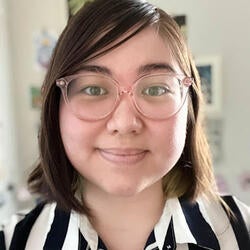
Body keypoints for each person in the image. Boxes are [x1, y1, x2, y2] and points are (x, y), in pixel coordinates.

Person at [1, 0, 250, 249]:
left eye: (155, 88)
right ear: (54, 107)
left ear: (189, 105)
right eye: (93, 89)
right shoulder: (13, 242)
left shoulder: (241, 234)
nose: (125, 123)